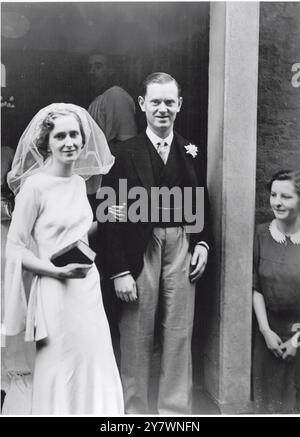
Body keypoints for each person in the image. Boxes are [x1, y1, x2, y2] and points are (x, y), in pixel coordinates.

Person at [97, 72, 211, 414]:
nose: (163, 109)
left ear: (179, 105)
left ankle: (175, 411)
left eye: (169, 102)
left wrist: (202, 244)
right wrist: (118, 270)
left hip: (181, 243)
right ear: (143, 105)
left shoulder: (191, 151)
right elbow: (109, 215)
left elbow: (201, 201)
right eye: (156, 102)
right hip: (138, 248)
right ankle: (134, 411)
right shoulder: (123, 153)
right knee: (136, 332)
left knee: (179, 329)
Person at [3, 103, 124, 415]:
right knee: (60, 365)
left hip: (87, 291)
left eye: (75, 135)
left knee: (92, 362)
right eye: (61, 136)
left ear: (83, 141)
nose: (69, 142)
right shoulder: (34, 187)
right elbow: (15, 249)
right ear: (48, 143)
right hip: (54, 292)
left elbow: (76, 236)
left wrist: (104, 217)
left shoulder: (78, 183)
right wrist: (57, 273)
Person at [253, 169, 300, 414]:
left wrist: (296, 340)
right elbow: (256, 287)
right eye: (273, 195)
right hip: (267, 337)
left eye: (286, 196)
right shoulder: (261, 233)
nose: (277, 202)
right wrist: (265, 330)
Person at [88, 52, 137, 145]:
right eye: (90, 67)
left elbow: (127, 141)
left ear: (110, 71)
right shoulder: (95, 102)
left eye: (98, 67)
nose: (92, 72)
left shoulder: (116, 94)